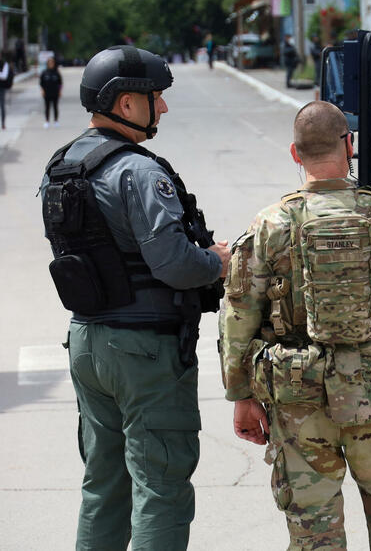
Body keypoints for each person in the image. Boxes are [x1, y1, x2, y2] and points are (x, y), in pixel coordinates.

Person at [219, 100, 371, 550]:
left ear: (294, 152)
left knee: (314, 533)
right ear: (350, 145)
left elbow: (239, 317)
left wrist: (242, 396)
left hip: (296, 399)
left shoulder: (270, 224)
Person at [39, 45, 231, 550]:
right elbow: (176, 265)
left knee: (103, 486)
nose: (162, 107)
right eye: (155, 96)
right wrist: (219, 261)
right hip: (144, 352)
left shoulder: (61, 167)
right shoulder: (139, 171)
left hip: (87, 342)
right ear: (126, 103)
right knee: (161, 487)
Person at [39, 56, 62, 127]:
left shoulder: (56, 72)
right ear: (47, 63)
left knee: (55, 107)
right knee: (47, 107)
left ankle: (56, 121)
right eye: (49, 62)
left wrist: (60, 91)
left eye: (52, 62)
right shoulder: (44, 72)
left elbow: (60, 83)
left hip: (55, 93)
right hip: (47, 93)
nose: (51, 64)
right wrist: (42, 91)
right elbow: (41, 83)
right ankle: (47, 121)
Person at [0, 52, 12, 130]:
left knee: (2, 106)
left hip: (2, 87)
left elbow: (4, 76)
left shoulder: (4, 64)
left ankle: (3, 123)